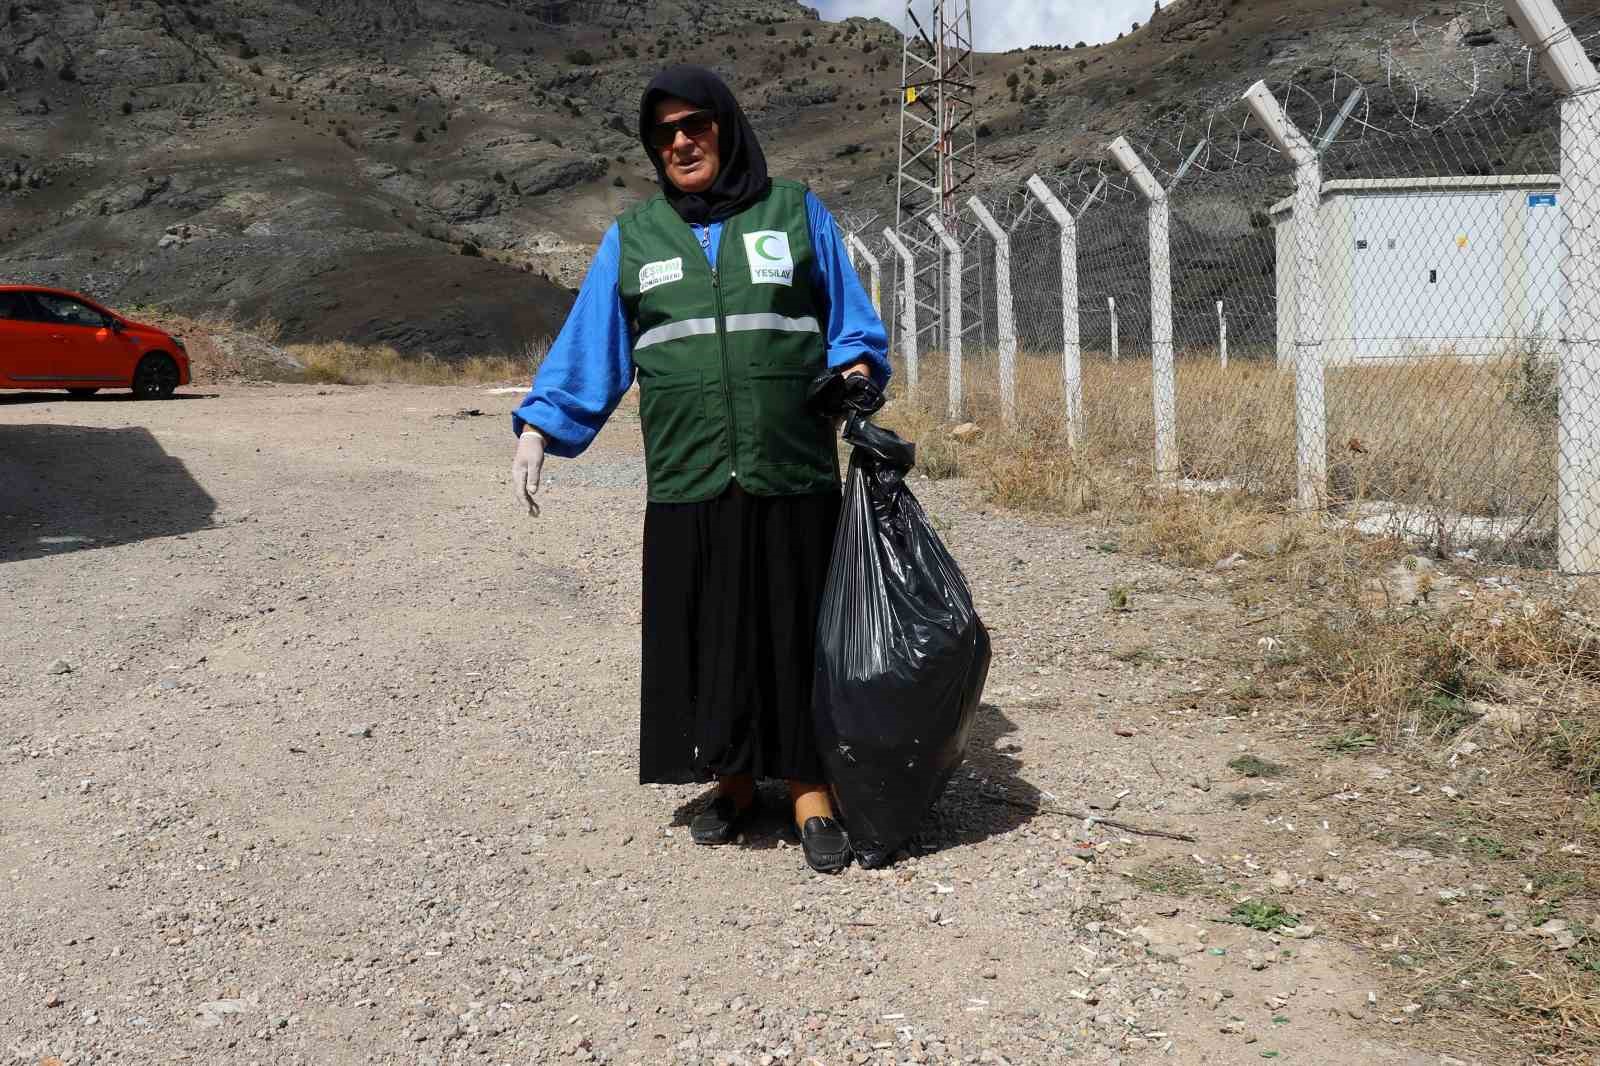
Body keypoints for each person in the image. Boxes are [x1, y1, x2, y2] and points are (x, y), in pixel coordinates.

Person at [509, 65, 891, 873]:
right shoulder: (634, 237)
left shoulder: (796, 213)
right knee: (710, 631)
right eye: (663, 133)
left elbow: (853, 329)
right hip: (688, 472)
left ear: (728, 125)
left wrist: (855, 379)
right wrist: (542, 427)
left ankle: (812, 787)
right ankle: (734, 779)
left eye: (695, 125)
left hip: (790, 465)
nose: (680, 142)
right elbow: (594, 347)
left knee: (798, 629)